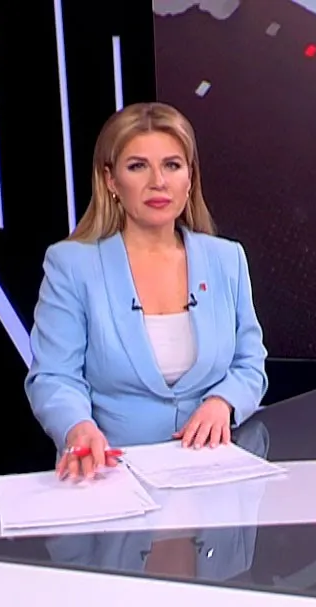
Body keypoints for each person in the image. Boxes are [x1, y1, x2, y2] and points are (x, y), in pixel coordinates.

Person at [25, 102, 268, 480]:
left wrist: (223, 402)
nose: (158, 181)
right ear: (111, 180)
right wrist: (77, 427)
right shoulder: (72, 266)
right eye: (138, 166)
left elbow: (249, 363)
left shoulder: (226, 259)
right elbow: (55, 376)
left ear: (190, 178)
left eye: (172, 165)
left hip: (213, 468)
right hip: (112, 472)